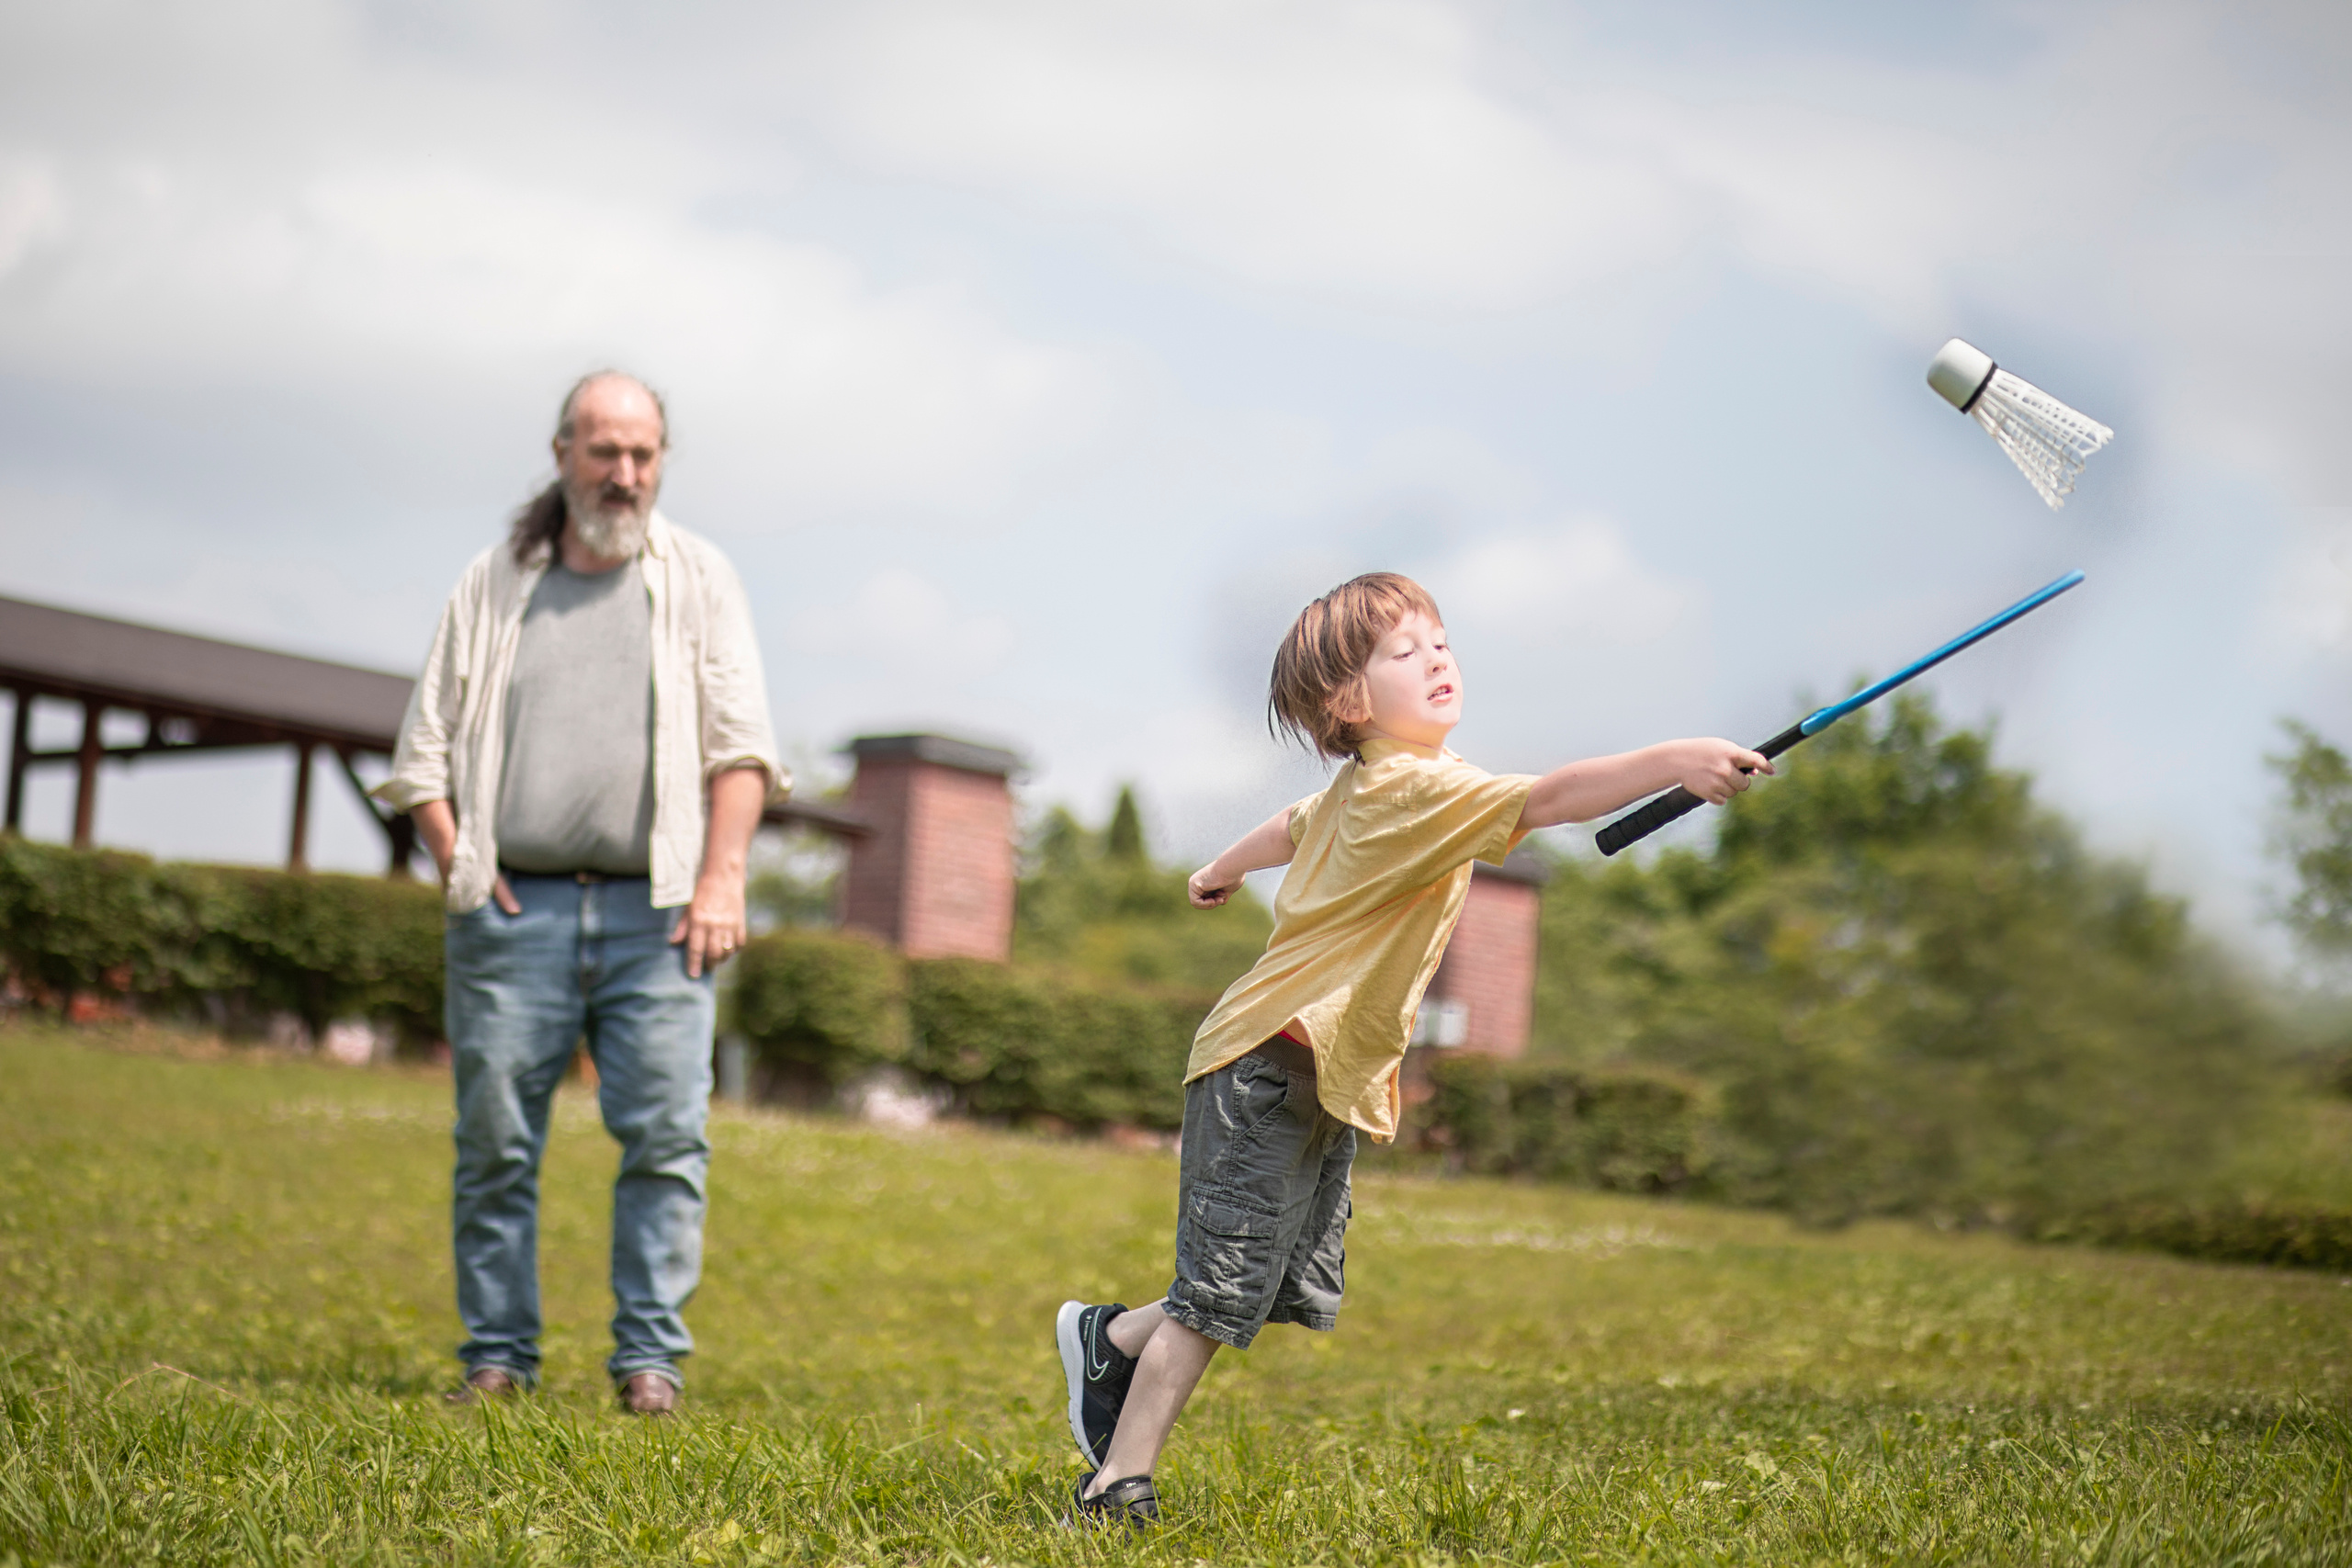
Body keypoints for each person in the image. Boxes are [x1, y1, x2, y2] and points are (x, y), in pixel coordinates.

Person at [1053, 571, 1769, 1525]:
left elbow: (1291, 825)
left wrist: (1221, 867)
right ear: (1348, 701)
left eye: (1440, 641)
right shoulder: (1415, 788)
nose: (1436, 658)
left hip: (1311, 1077)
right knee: (1219, 1293)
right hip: (1266, 1064)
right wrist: (1678, 757)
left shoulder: (1373, 788)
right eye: (1404, 650)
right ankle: (1116, 1483)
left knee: (1260, 1282)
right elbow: (1557, 795)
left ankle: (1110, 1342)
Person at [377, 371, 785, 1416]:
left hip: (663, 918)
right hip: (516, 912)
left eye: (643, 453)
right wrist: (463, 866)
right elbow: (422, 753)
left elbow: (743, 747)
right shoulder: (493, 582)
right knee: (495, 1145)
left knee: (667, 1141)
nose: (625, 473)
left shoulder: (700, 578)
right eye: (605, 451)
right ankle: (496, 1360)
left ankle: (650, 1366)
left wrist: (721, 878)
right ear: (563, 453)